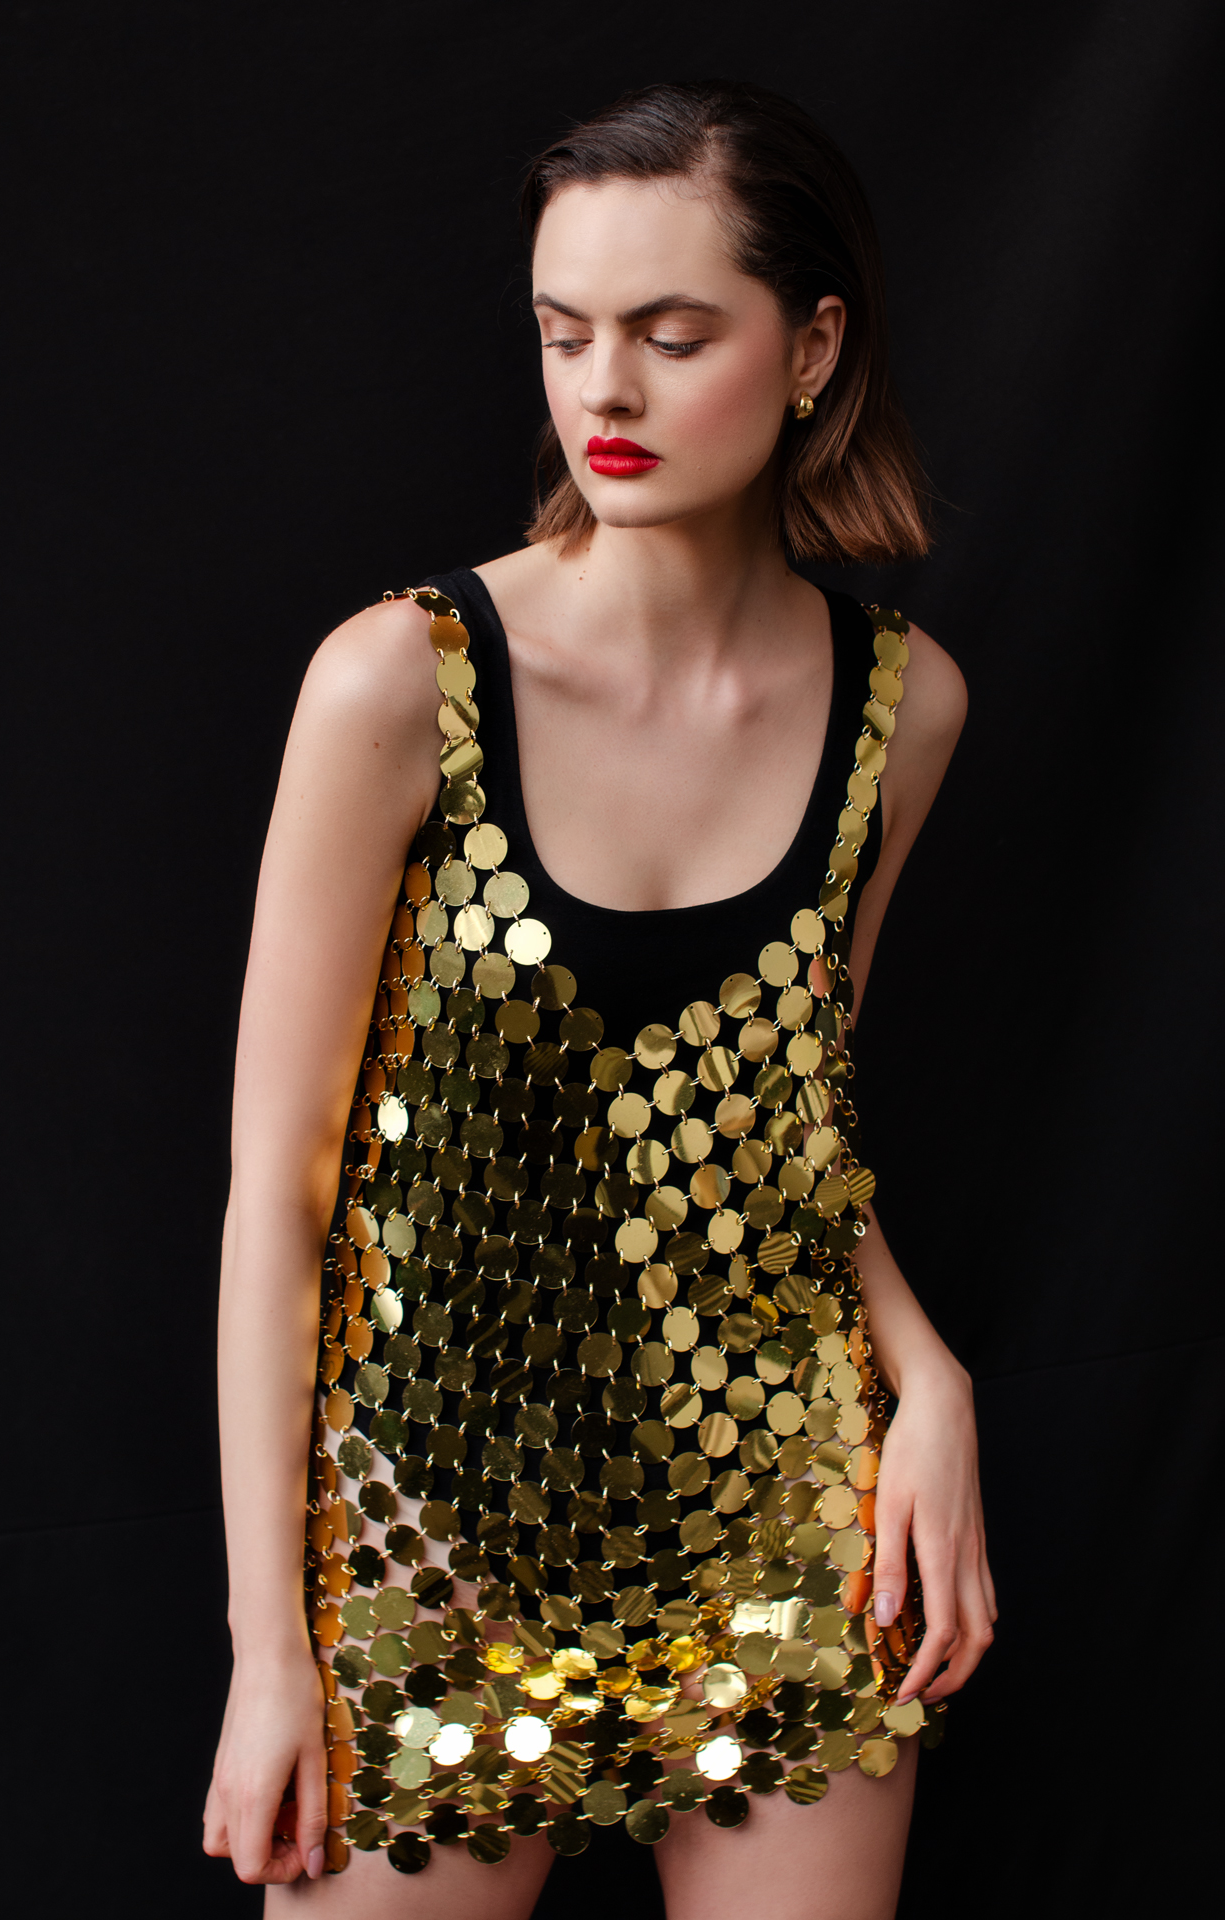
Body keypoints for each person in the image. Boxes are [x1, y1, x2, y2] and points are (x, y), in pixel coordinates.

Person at [203, 79, 996, 1920]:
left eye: (671, 334)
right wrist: (270, 1650)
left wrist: (926, 1370)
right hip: (433, 1531)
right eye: (567, 335)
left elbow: (789, 1127)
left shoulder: (906, 709)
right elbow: (278, 1196)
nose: (604, 392)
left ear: (812, 347)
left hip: (777, 1505)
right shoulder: (399, 683)